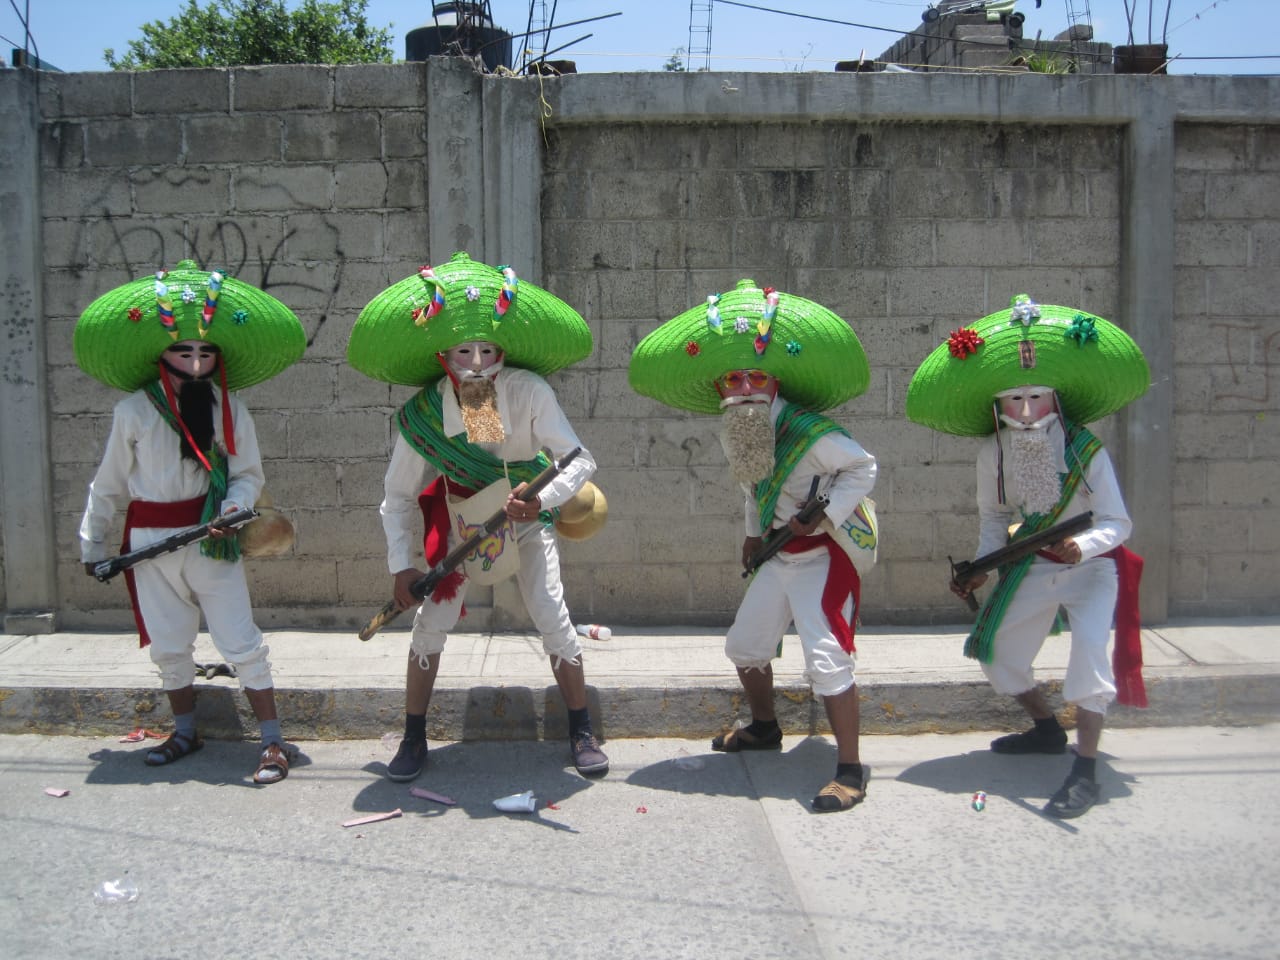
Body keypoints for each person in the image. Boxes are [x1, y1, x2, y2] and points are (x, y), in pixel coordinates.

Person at [348, 252, 609, 780]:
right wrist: (403, 565)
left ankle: (581, 729)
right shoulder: (424, 413)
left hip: (526, 518)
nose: (476, 363)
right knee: (431, 624)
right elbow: (397, 495)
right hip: (460, 520)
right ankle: (414, 736)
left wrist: (541, 500)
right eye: (463, 351)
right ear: (442, 353)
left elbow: (579, 458)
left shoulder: (530, 391)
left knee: (551, 615)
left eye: (487, 349)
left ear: (503, 349)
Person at [629, 279, 879, 812]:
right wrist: (750, 533)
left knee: (829, 662)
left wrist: (825, 516)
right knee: (744, 647)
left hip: (821, 559)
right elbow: (754, 486)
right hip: (776, 554)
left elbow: (864, 466)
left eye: (756, 376)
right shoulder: (742, 428)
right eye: (733, 379)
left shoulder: (811, 431)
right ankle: (765, 728)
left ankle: (851, 770)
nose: (744, 387)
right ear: (721, 389)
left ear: (774, 382)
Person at [906, 294, 1150, 819]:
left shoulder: (1086, 450)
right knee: (997, 655)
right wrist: (978, 569)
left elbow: (1117, 523)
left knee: (1088, 660)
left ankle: (1084, 771)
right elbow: (995, 521)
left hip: (1092, 570)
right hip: (1033, 564)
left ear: (1055, 402)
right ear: (997, 409)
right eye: (1012, 402)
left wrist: (1080, 545)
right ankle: (1045, 728)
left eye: (1035, 399)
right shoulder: (992, 454)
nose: (1024, 412)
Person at [76, 259, 307, 784]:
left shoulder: (231, 409)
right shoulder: (133, 412)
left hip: (211, 542)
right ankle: (185, 730)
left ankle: (273, 741)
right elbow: (108, 483)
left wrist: (231, 511)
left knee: (240, 640)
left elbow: (248, 474)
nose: (197, 360)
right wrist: (92, 544)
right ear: (161, 352)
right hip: (149, 542)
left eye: (206, 350)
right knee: (168, 643)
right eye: (185, 350)